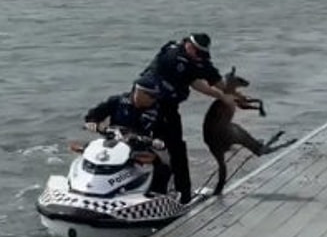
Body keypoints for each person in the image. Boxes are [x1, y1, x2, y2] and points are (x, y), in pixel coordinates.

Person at [140, 33, 236, 203]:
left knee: (169, 148)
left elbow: (214, 79)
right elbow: (196, 83)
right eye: (196, 52)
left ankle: (174, 192)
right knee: (170, 149)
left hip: (168, 106)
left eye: (201, 53)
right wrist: (221, 96)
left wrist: (235, 95)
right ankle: (176, 194)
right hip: (151, 103)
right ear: (188, 45)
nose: (198, 56)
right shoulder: (174, 57)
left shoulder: (197, 58)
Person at [84, 75, 170, 195]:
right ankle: (83, 186)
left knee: (162, 168)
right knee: (87, 153)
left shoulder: (157, 110)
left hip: (139, 146)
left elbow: (164, 132)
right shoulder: (117, 101)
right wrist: (92, 122)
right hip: (113, 142)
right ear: (138, 91)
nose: (153, 99)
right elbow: (95, 114)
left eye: (155, 96)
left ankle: (157, 197)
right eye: (151, 95)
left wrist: (159, 141)